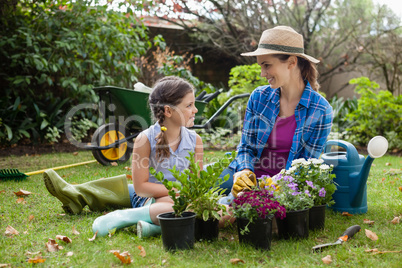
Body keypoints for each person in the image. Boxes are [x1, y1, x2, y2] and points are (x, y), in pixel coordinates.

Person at [43, 76, 203, 238]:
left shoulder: (195, 140)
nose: (195, 110)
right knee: (172, 206)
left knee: (197, 208)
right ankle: (122, 217)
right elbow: (141, 188)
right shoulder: (145, 139)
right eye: (189, 105)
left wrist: (186, 195)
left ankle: (152, 228)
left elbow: (196, 182)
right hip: (151, 200)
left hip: (182, 199)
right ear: (168, 111)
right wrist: (174, 190)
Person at [219, 25, 333, 200]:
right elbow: (246, 147)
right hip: (248, 179)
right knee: (202, 183)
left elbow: (306, 167)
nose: (263, 73)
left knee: (225, 210)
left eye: (267, 65)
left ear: (292, 62)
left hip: (283, 188)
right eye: (261, 66)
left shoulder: (320, 110)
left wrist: (277, 184)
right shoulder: (259, 97)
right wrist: (244, 171)